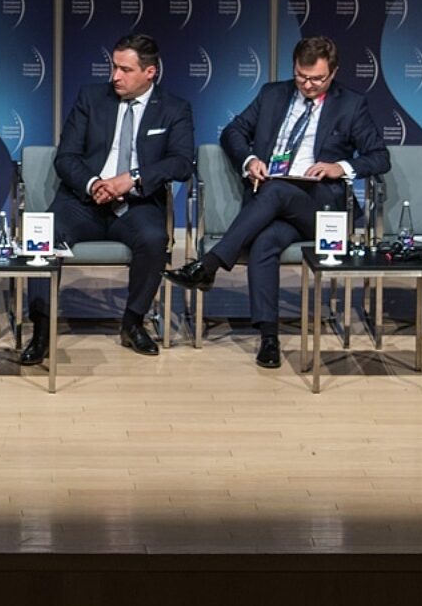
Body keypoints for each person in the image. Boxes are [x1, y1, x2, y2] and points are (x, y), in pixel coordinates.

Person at [166, 34, 389, 369]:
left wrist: (339, 167)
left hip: (321, 209)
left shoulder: (352, 104)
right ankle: (268, 338)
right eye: (301, 76)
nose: (308, 85)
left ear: (333, 73)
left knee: (276, 190)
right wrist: (250, 160)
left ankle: (209, 265)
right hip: (275, 210)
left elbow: (380, 157)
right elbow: (232, 132)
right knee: (265, 243)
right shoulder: (273, 94)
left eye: (317, 79)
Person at [21, 33, 193, 364]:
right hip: (82, 203)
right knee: (43, 236)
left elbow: (182, 163)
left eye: (125, 69)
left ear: (150, 72)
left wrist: (132, 179)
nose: (115, 76)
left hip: (137, 204)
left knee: (154, 239)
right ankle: (41, 330)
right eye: (114, 67)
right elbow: (66, 156)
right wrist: (93, 183)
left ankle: (133, 322)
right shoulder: (91, 98)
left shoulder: (174, 109)